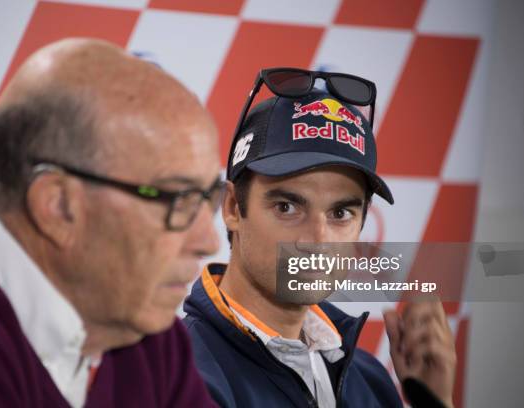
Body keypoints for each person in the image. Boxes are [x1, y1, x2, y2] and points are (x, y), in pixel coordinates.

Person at [0, 38, 224, 407]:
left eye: (209, 198)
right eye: (178, 200)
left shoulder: (145, 332)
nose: (209, 241)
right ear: (58, 205)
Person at [184, 68, 456, 407]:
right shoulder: (183, 379)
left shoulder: (368, 377)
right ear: (232, 208)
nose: (318, 239)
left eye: (340, 213)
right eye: (287, 207)